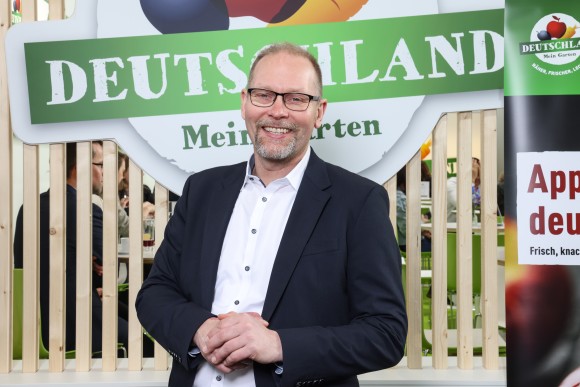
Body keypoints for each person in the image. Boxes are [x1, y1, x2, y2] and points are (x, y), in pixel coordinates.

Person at [136, 42, 407, 387]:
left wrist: (278, 345)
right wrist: (201, 331)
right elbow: (156, 293)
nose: (277, 111)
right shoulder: (201, 191)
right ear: (245, 102)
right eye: (263, 94)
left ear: (319, 112)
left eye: (296, 98)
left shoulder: (358, 201)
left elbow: (386, 333)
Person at [14, 141, 128, 354]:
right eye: (101, 165)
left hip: (32, 328)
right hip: (79, 324)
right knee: (145, 338)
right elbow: (109, 266)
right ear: (82, 166)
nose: (105, 173)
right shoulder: (87, 210)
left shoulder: (27, 208)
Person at [116, 150, 155, 238]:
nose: (143, 174)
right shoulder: (113, 194)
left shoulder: (145, 191)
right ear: (124, 171)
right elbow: (125, 227)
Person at [396, 166, 432, 252]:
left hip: (408, 241)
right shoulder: (400, 198)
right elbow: (407, 228)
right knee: (443, 246)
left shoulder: (396, 195)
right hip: (410, 243)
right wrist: (422, 224)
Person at [447, 157, 481, 222]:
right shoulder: (452, 183)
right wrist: (471, 180)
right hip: (451, 229)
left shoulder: (480, 185)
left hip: (473, 228)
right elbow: (464, 205)